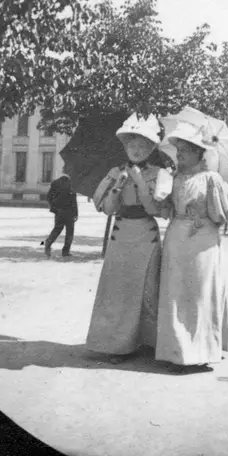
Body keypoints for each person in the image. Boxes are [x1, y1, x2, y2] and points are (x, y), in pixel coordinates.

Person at [155, 122, 228, 374]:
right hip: (176, 239)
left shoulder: (211, 179)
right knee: (174, 293)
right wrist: (161, 195)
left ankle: (199, 353)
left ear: (198, 153)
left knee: (199, 294)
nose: (179, 154)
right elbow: (164, 212)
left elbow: (226, 213)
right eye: (178, 150)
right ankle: (175, 351)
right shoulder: (173, 178)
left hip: (202, 241)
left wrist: (203, 218)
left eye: (185, 150)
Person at [85, 115, 171, 363]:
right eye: (131, 145)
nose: (136, 150)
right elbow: (108, 209)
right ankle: (117, 345)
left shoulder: (160, 174)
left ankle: (148, 342)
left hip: (146, 235)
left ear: (151, 148)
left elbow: (155, 209)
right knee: (118, 290)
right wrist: (118, 186)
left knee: (147, 289)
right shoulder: (115, 172)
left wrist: (140, 182)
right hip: (121, 234)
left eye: (142, 145)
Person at [44, 169, 78, 258]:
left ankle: (48, 242)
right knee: (69, 232)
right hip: (69, 212)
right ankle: (65, 251)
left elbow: (49, 197)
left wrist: (54, 208)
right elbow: (74, 201)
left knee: (57, 229)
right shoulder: (71, 184)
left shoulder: (55, 183)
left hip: (59, 211)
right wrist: (76, 213)